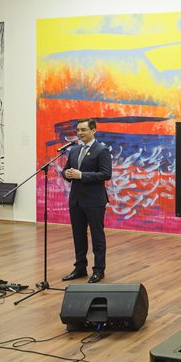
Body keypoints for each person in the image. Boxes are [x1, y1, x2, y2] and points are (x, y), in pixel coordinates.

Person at [61, 119, 112, 283]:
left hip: (94, 201)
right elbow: (66, 169)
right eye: (78, 130)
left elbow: (106, 174)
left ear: (94, 130)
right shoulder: (74, 150)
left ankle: (98, 270)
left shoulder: (101, 150)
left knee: (97, 236)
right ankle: (80, 268)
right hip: (76, 200)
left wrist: (81, 175)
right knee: (78, 236)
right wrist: (66, 174)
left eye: (83, 130)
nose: (80, 133)